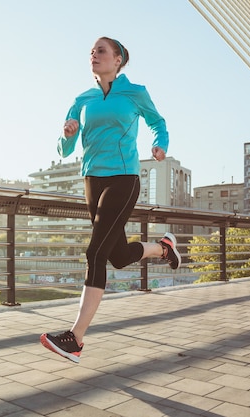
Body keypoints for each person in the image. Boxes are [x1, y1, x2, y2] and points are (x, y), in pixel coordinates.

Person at [40, 36, 181, 363]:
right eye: (91, 51)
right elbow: (64, 149)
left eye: (100, 50)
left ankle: (75, 339)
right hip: (92, 180)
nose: (94, 55)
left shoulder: (135, 92)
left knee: (95, 252)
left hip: (123, 177)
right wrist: (67, 134)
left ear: (118, 59)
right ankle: (163, 248)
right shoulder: (83, 98)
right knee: (117, 256)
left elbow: (157, 122)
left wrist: (160, 144)